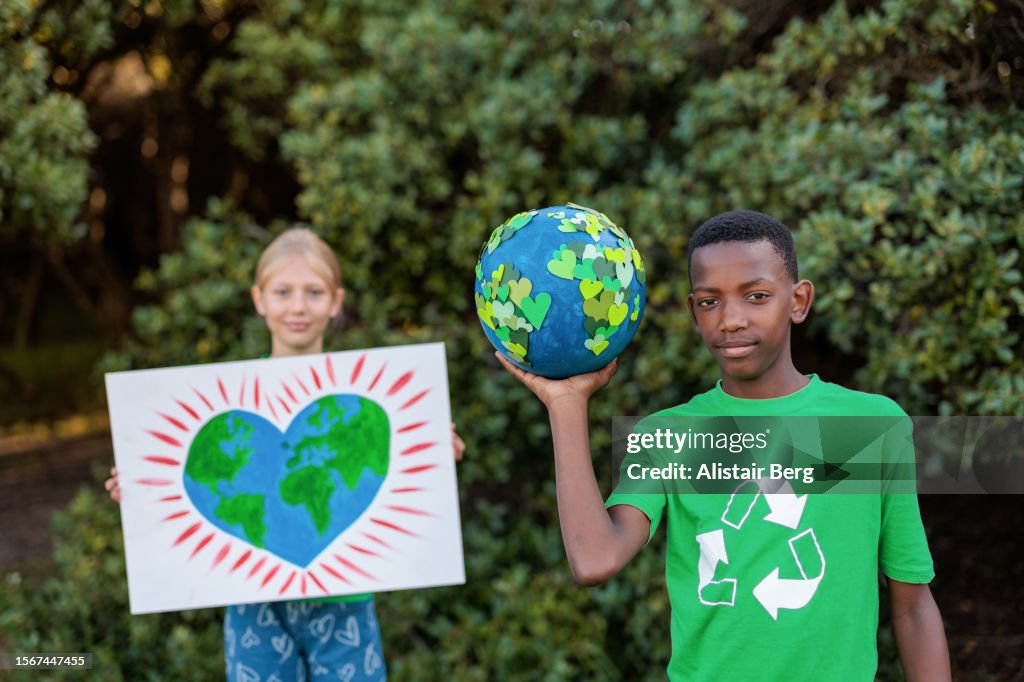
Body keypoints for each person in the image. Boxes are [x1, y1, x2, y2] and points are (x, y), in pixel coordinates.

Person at [498, 210, 950, 681]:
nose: (732, 320)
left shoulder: (871, 427)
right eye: (711, 302)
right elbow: (594, 559)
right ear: (694, 312)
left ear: (798, 301)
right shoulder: (668, 436)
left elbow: (913, 608)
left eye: (756, 296)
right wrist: (566, 405)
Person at [106, 226, 465, 682]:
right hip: (252, 602)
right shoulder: (224, 407)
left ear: (336, 301)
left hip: (345, 600)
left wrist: (432, 455)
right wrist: (140, 488)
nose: (298, 306)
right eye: (283, 292)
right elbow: (203, 479)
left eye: (313, 292)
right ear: (259, 300)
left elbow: (396, 475)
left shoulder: (361, 400)